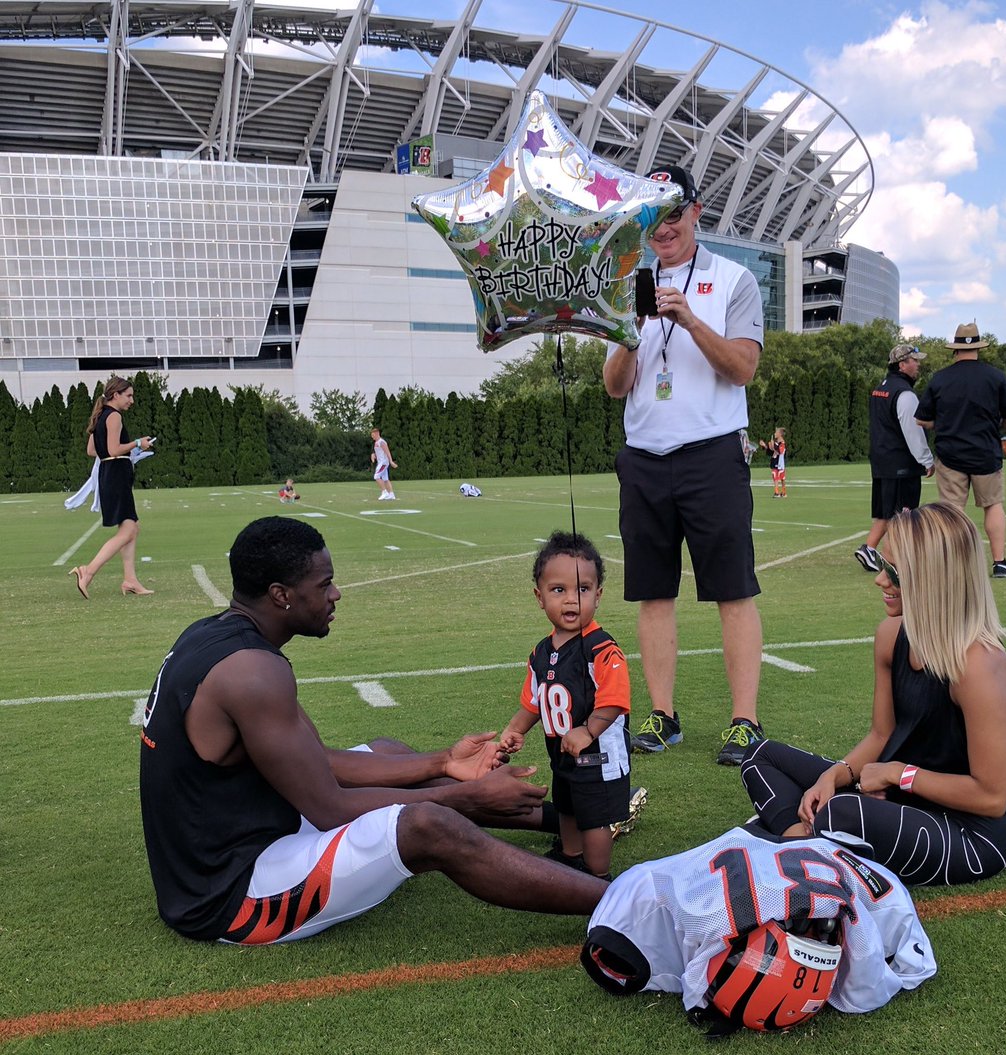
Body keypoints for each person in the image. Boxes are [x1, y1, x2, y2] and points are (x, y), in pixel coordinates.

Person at [139, 516, 607, 943]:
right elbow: (329, 807)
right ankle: (617, 898)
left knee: (390, 752)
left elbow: (317, 761)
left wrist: (443, 762)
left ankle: (575, 820)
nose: (335, 594)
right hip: (230, 894)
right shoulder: (254, 673)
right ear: (282, 595)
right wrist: (463, 798)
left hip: (247, 833)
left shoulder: (217, 635)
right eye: (324, 584)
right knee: (429, 825)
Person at [740, 503, 1006, 886]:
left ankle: (798, 844)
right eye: (881, 566)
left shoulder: (978, 666)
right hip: (893, 797)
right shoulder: (892, 637)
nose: (880, 581)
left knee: (839, 814)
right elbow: (881, 735)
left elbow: (991, 797)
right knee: (759, 757)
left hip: (968, 833)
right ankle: (798, 842)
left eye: (894, 573)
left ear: (933, 579)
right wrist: (834, 775)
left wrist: (895, 774)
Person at [602, 164, 765, 767]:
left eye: (674, 213)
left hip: (711, 452)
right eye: (652, 216)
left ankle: (745, 720)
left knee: (732, 589)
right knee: (651, 593)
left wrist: (690, 320)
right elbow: (616, 387)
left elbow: (743, 368)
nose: (663, 227)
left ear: (697, 211)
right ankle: (663, 714)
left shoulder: (733, 279)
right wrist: (631, 331)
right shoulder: (627, 283)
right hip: (644, 456)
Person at [581, 826, 936, 1031]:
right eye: (819, 933)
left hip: (792, 847)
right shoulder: (651, 903)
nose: (817, 932)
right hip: (821, 846)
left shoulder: (644, 906)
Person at [500, 531, 643, 880]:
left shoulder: (602, 648)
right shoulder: (541, 652)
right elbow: (535, 701)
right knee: (567, 806)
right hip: (563, 754)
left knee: (593, 815)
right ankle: (570, 855)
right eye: (558, 590)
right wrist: (515, 729)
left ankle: (597, 875)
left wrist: (587, 729)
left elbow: (614, 702)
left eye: (583, 589)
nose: (571, 600)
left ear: (598, 595)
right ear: (539, 596)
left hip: (599, 758)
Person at [914, 322, 1006, 579]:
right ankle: (999, 563)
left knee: (953, 511)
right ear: (979, 348)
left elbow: (922, 419)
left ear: (955, 350)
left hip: (951, 455)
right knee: (993, 505)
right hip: (986, 452)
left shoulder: (940, 379)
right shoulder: (995, 377)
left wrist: (943, 424)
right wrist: (997, 425)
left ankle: (955, 565)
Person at [69, 376, 155, 599]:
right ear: (116, 395)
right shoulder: (114, 415)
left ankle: (130, 580)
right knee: (128, 530)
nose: (131, 400)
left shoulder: (100, 416)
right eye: (128, 395)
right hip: (116, 476)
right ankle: (87, 571)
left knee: (132, 528)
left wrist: (118, 453)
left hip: (111, 475)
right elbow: (114, 449)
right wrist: (137, 444)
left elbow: (92, 450)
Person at [855, 344, 934, 573]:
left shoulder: (880, 388)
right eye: (914, 361)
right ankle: (896, 559)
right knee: (903, 514)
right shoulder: (905, 393)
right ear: (902, 364)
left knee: (886, 512)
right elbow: (912, 430)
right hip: (901, 463)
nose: (918, 365)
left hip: (881, 460)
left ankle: (869, 549)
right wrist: (926, 459)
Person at [759, 427, 788, 497]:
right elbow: (771, 451)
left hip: (780, 463)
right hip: (774, 462)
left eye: (776, 432)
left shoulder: (782, 443)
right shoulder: (776, 443)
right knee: (775, 476)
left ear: (780, 434)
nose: (775, 434)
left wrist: (773, 445)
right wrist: (765, 446)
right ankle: (776, 492)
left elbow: (780, 451)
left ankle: (784, 492)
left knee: (782, 478)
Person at [370, 428, 396, 501]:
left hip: (383, 462)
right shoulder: (376, 443)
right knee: (385, 479)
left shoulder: (382, 442)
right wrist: (373, 455)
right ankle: (391, 494)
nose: (372, 437)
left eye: (373, 435)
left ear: (377, 433)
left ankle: (384, 492)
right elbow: (378, 452)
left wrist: (391, 461)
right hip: (381, 462)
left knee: (376, 476)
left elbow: (387, 452)